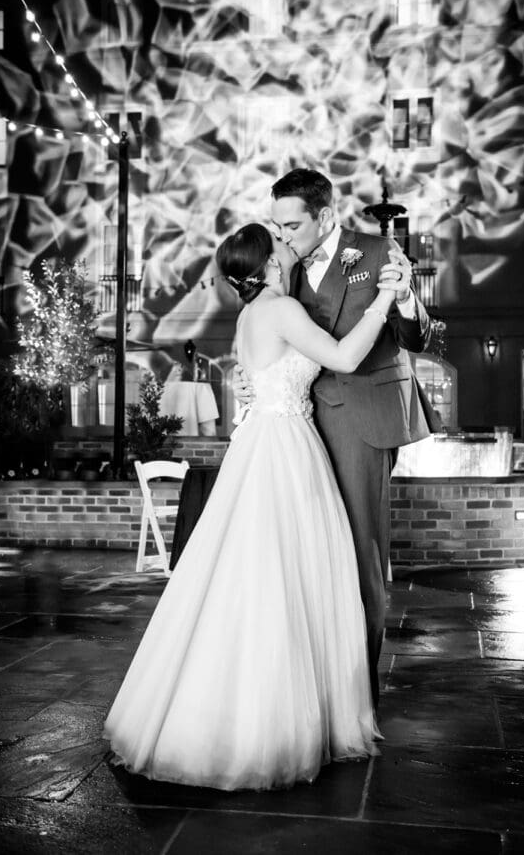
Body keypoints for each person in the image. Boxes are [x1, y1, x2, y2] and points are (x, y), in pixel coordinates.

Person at [103, 223, 399, 791]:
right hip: (286, 448)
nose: (290, 245)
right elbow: (343, 355)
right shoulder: (282, 307)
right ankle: (272, 723)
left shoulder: (248, 316)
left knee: (252, 573)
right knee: (287, 575)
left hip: (264, 440)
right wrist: (384, 297)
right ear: (266, 263)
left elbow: (261, 377)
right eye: (281, 242)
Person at [234, 168, 439, 708]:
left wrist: (406, 299)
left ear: (326, 216)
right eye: (277, 228)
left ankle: (357, 694)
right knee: (303, 556)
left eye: (293, 226)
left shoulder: (375, 253)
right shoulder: (281, 270)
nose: (283, 238)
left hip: (360, 419)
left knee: (356, 551)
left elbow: (417, 336)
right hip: (296, 424)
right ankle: (309, 689)